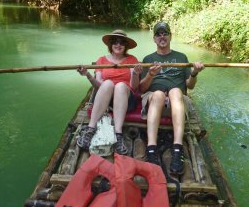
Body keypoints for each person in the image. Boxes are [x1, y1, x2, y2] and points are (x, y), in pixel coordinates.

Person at [139, 21, 204, 175]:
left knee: (175, 91)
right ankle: (151, 148)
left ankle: (177, 148)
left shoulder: (181, 57)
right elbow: (141, 88)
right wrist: (150, 74)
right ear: (154, 39)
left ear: (170, 36)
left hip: (177, 102)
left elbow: (190, 85)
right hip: (154, 99)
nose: (162, 37)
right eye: (158, 34)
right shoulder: (148, 59)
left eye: (165, 33)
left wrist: (194, 73)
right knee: (159, 94)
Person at [77, 29, 142, 154]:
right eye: (115, 42)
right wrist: (87, 75)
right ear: (110, 44)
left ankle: (118, 134)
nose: (118, 45)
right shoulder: (101, 60)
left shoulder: (132, 59)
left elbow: (134, 87)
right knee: (107, 83)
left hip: (126, 99)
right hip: (107, 101)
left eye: (122, 42)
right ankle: (91, 129)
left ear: (126, 46)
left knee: (120, 86)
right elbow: (98, 86)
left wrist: (135, 74)